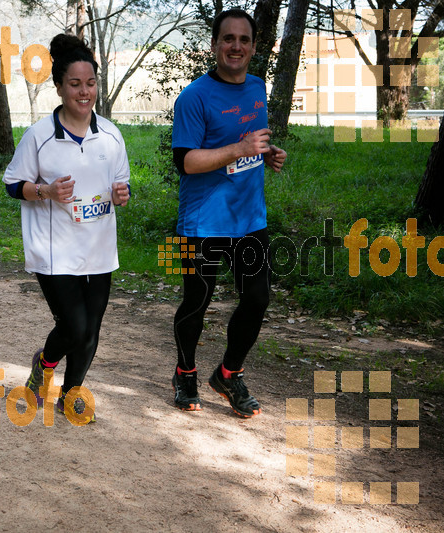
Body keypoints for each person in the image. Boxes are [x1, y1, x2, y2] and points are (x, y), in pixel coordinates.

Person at [2, 34, 131, 424]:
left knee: (91, 330)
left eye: (90, 83)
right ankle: (44, 366)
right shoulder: (40, 136)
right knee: (74, 327)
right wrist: (45, 190)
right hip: (54, 249)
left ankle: (71, 393)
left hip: (99, 249)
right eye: (74, 84)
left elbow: (121, 184)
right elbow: (12, 184)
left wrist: (121, 194)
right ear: (59, 87)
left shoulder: (110, 135)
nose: (84, 91)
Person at [170, 9, 287, 417]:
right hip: (201, 222)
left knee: (257, 298)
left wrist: (267, 154)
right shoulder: (193, 98)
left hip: (250, 218)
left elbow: (248, 142)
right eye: (227, 39)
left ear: (254, 47)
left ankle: (228, 373)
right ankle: (185, 372)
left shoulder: (257, 87)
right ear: (215, 44)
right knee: (196, 302)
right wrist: (239, 150)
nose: (235, 46)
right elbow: (185, 161)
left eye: (243, 39)